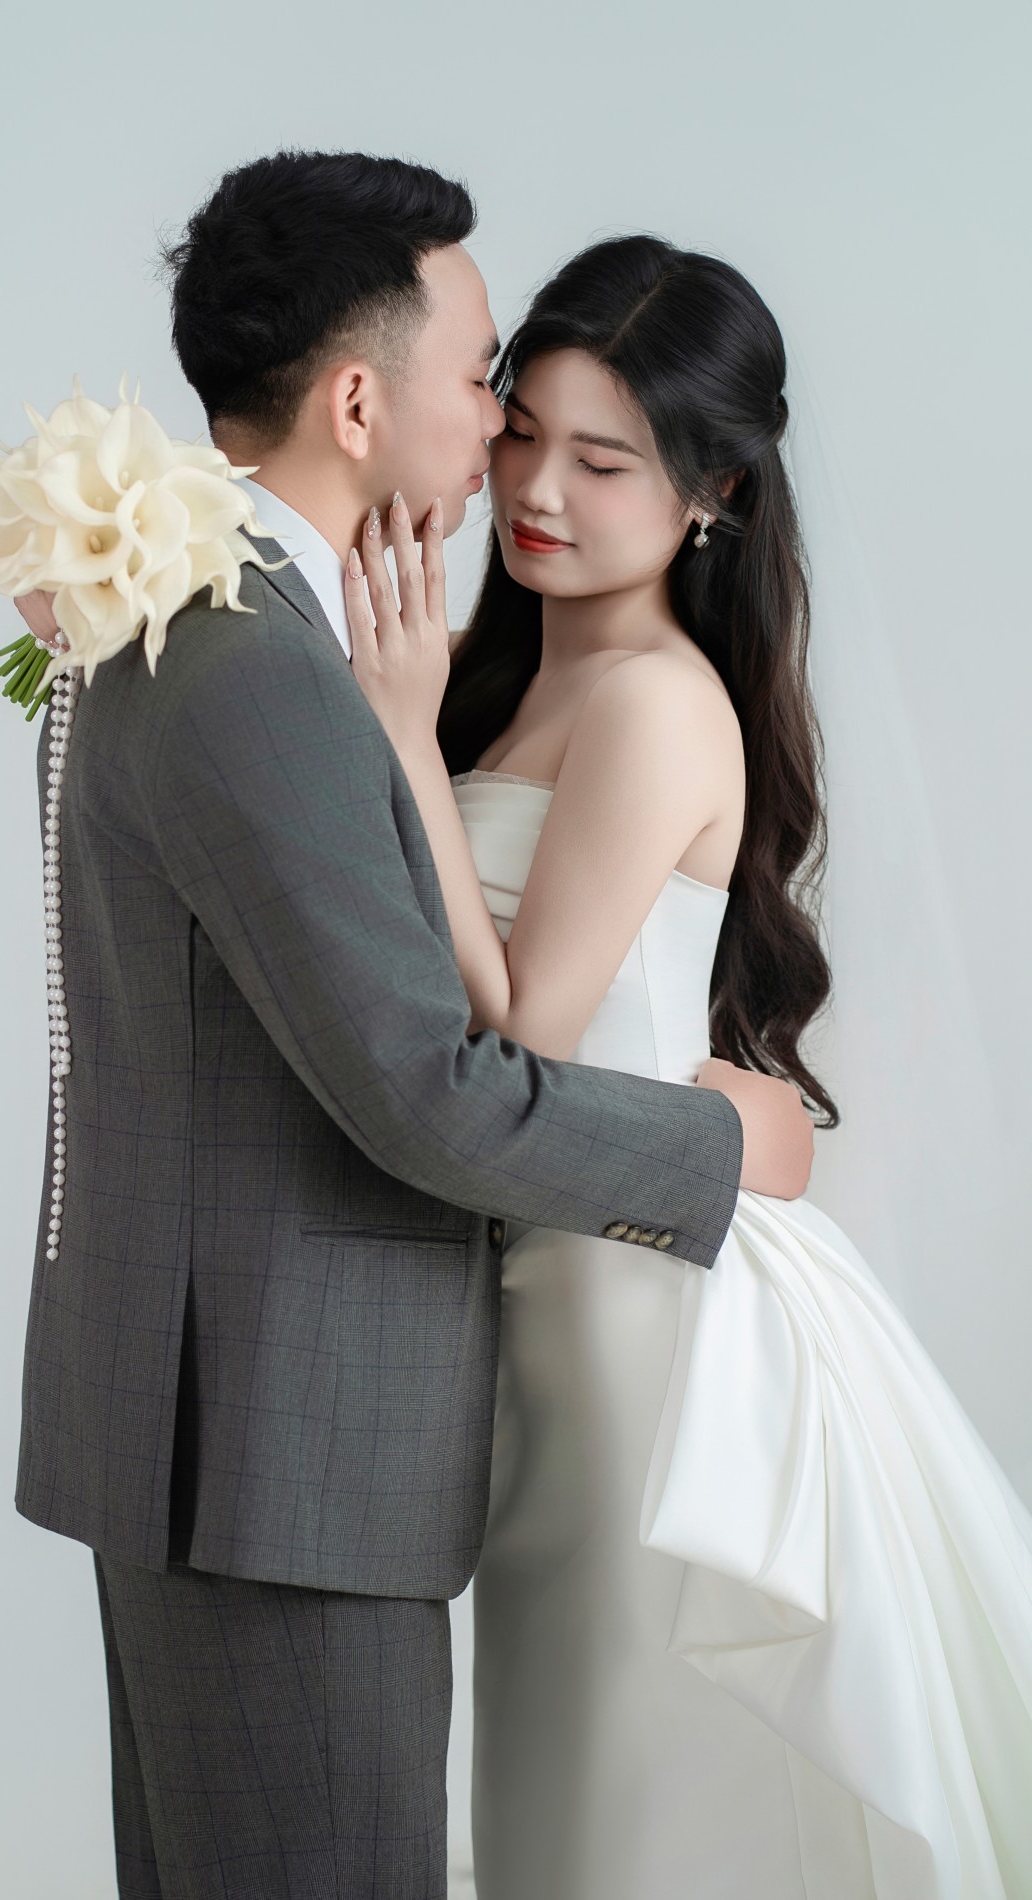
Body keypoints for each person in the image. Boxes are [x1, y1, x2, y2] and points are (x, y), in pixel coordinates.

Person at [9, 155, 814, 1899]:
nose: (504, 440)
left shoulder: (215, 621)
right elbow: (430, 1092)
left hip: (279, 1418)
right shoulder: (254, 656)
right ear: (362, 403)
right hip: (284, 1444)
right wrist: (722, 1143)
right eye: (487, 383)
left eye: (593, 451)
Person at [343, 233, 1032, 1899]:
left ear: (713, 489)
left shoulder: (653, 699)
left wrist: (400, 733)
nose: (538, 492)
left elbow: (523, 1034)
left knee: (624, 1782)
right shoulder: (515, 680)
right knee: (557, 1768)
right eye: (523, 435)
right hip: (549, 1287)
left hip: (643, 1315)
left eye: (604, 461)